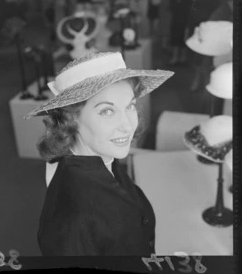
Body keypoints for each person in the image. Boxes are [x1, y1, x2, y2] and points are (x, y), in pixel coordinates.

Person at [24, 52, 174, 256]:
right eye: (107, 111)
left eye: (129, 106)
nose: (128, 125)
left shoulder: (104, 158)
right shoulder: (74, 220)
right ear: (71, 119)